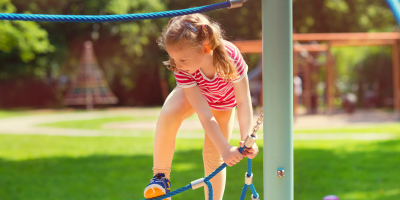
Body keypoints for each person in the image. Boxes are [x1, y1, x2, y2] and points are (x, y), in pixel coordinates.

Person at [144, 13, 259, 200]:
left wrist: (246, 140)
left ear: (206, 48)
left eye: (183, 60)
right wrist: (225, 147)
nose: (177, 65)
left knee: (213, 155)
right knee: (169, 114)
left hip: (223, 105)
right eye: (174, 59)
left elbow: (244, 101)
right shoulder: (182, 68)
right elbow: (204, 113)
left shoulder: (231, 57)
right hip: (196, 95)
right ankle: (161, 178)